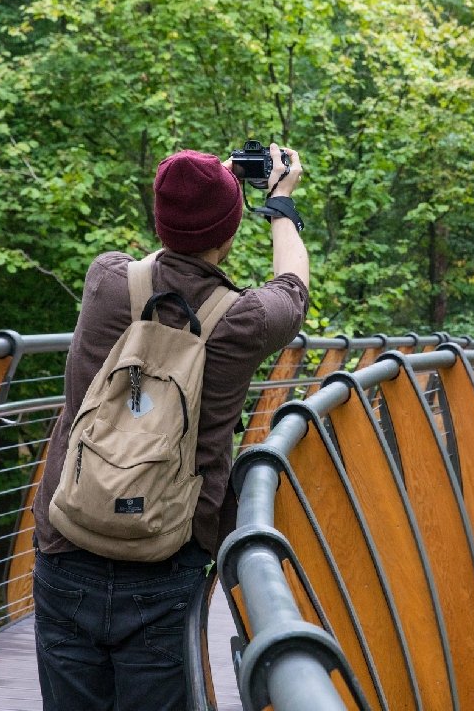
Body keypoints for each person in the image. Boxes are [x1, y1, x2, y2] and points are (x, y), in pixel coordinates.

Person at [30, 143, 309, 710]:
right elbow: (293, 291)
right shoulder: (243, 319)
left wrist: (203, 191)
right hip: (165, 554)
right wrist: (278, 201)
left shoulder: (107, 280)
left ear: (160, 221)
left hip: (67, 544)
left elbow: (158, 264)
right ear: (229, 233)